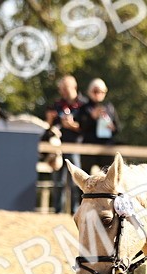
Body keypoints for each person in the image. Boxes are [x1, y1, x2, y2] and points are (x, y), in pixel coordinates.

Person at [47, 75, 85, 213]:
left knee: (76, 182)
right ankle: (58, 212)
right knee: (58, 182)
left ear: (74, 87)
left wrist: (72, 125)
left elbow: (86, 127)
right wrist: (50, 120)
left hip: (76, 147)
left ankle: (76, 212)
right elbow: (49, 127)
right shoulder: (56, 105)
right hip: (58, 149)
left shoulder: (83, 105)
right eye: (60, 88)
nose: (62, 91)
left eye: (65, 88)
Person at [80, 78, 120, 174]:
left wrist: (112, 127)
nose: (98, 94)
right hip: (89, 148)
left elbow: (117, 128)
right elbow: (81, 127)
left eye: (102, 91)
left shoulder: (109, 107)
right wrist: (92, 117)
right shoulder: (84, 107)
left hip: (106, 148)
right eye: (95, 91)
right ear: (89, 92)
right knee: (86, 177)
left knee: (108, 177)